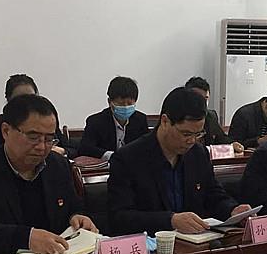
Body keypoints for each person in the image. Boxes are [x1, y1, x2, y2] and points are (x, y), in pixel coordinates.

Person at [0, 94, 97, 254]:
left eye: (49, 139)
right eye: (33, 137)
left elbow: (74, 207)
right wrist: (25, 238)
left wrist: (78, 217)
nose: (42, 147)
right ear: (6, 131)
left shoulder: (58, 166)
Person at [107, 87, 251, 236]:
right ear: (165, 121)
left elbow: (213, 195)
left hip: (196, 242)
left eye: (198, 134)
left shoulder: (198, 153)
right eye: (186, 134)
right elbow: (120, 217)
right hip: (152, 244)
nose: (192, 141)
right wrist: (170, 220)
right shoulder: (128, 158)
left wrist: (232, 210)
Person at [0, 74, 74, 157]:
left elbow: (71, 150)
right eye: (33, 137)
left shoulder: (48, 121)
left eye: (32, 98)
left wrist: (62, 151)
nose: (27, 103)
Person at [78, 76, 149, 160]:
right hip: (107, 165)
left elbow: (146, 147)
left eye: (130, 104)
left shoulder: (140, 120)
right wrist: (111, 156)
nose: (125, 107)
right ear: (109, 102)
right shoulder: (95, 122)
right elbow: (85, 149)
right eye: (121, 104)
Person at [184, 76, 243, 153]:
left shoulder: (210, 116)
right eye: (199, 98)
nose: (203, 103)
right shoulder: (179, 117)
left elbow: (221, 139)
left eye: (206, 98)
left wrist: (232, 144)